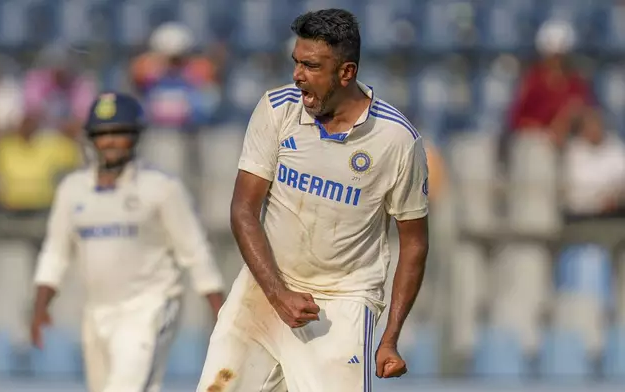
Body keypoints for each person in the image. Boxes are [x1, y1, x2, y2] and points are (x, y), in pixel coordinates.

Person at [196, 9, 429, 392]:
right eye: (296, 62)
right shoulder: (277, 109)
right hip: (265, 290)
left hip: (340, 304)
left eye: (311, 65)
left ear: (346, 72)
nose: (297, 75)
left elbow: (415, 241)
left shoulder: (397, 140)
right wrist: (277, 293)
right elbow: (243, 210)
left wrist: (390, 337)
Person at [30, 92, 225, 392]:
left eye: (119, 133)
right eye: (103, 133)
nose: (110, 141)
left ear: (135, 136)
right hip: (97, 311)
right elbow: (55, 252)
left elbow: (194, 250)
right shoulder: (73, 190)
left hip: (150, 305)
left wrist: (218, 311)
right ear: (91, 138)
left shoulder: (161, 188)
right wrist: (40, 307)